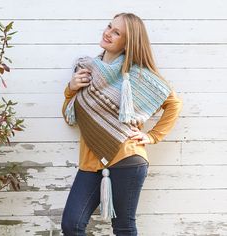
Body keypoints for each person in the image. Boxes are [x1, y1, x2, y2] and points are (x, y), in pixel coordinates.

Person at [61, 12, 182, 236]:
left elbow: (173, 103)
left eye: (117, 32)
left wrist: (153, 136)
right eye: (109, 26)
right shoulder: (87, 70)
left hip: (127, 157)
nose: (108, 33)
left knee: (123, 228)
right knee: (71, 224)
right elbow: (70, 115)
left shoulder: (136, 76)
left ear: (128, 42)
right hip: (90, 161)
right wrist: (71, 88)